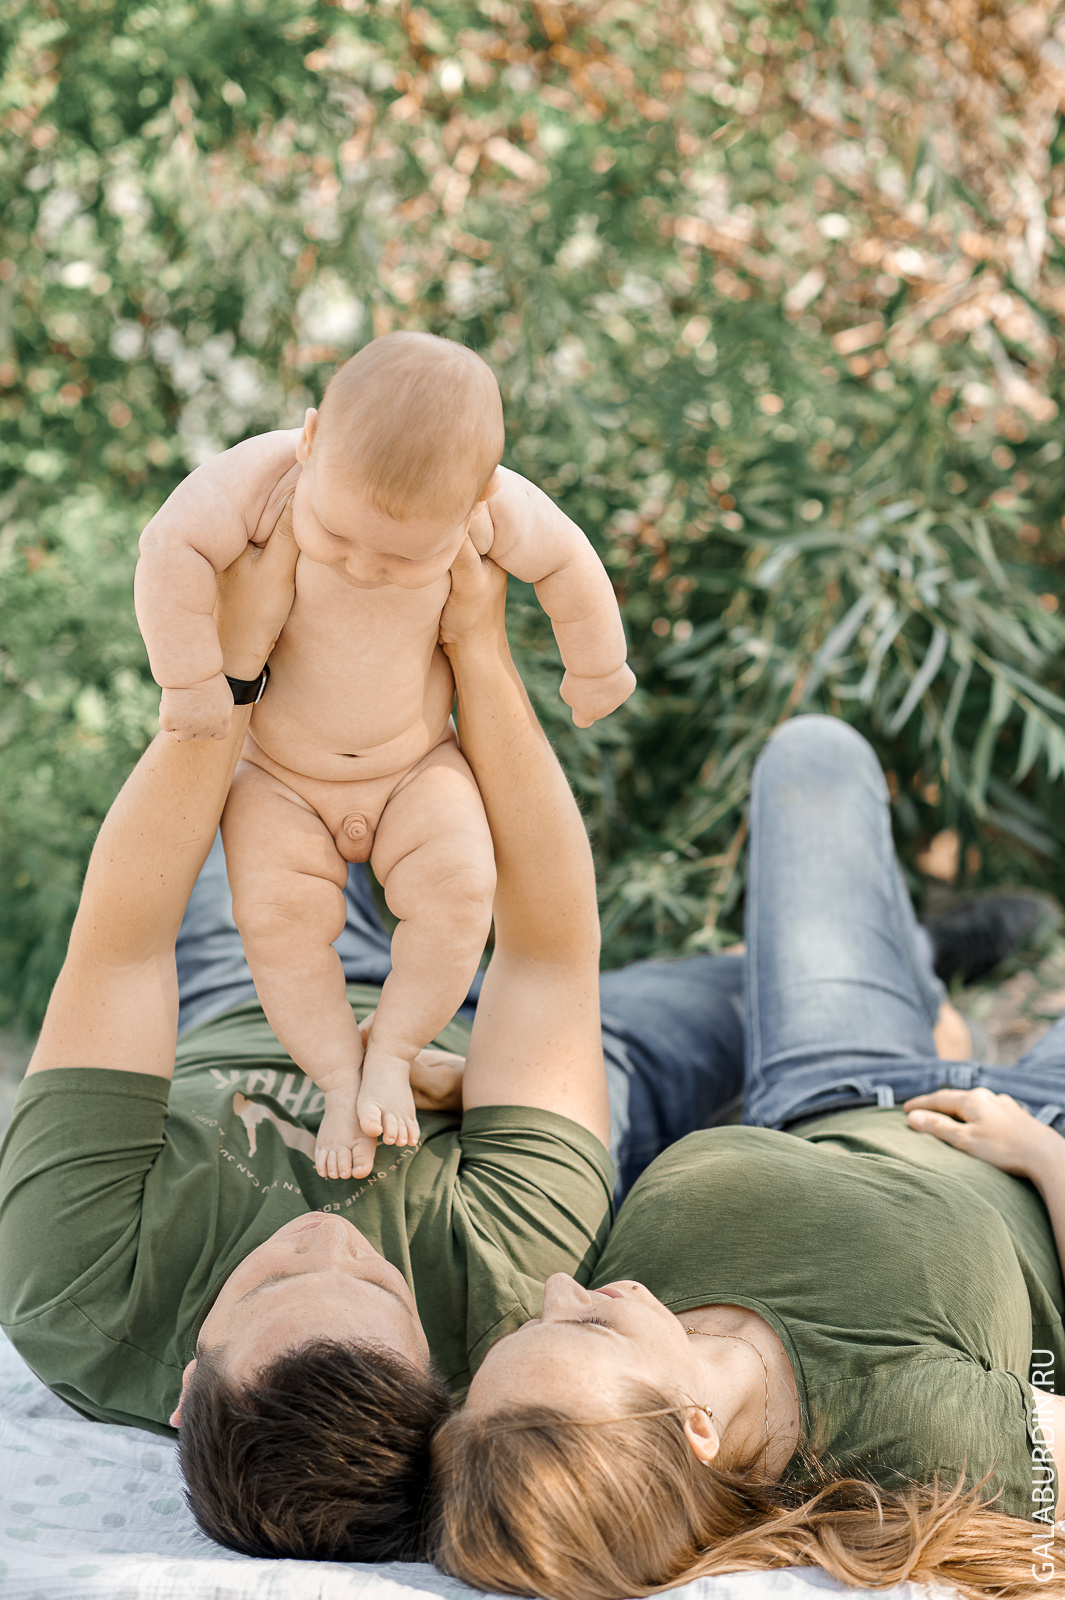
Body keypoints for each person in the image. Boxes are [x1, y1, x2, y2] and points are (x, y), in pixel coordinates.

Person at [430, 714, 1065, 1600]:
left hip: (826, 1076)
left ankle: (924, 969)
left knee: (814, 755)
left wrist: (481, 1091)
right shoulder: (914, 1434)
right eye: (583, 1324)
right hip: (1046, 1133)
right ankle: (931, 966)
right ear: (693, 1427)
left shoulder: (589, 1353)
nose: (557, 1290)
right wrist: (1039, 1154)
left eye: (529, 1324)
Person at [134, 332, 634, 1177]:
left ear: (474, 496)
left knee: (463, 890)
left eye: (403, 557)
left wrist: (597, 663)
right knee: (276, 922)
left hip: (414, 768)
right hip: (280, 779)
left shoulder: (491, 504)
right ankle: (336, 1077)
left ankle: (395, 1053)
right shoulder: (261, 478)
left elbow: (566, 561)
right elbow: (169, 546)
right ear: (311, 436)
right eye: (337, 535)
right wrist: (189, 680)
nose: (364, 566)